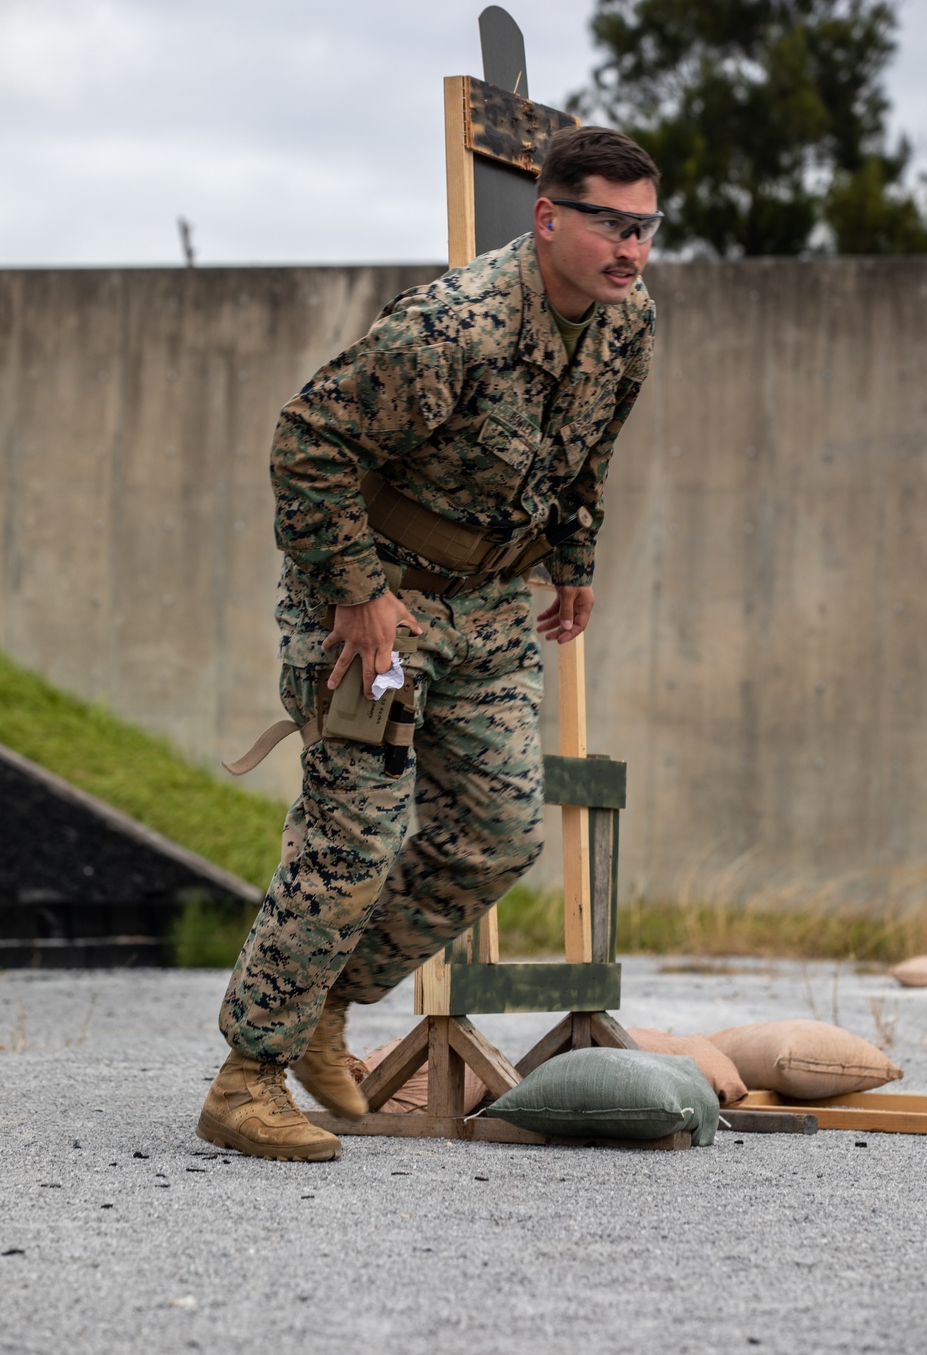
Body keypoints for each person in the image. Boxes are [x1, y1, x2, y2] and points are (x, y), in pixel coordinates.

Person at [197, 126, 662, 1160]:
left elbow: (585, 458)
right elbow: (307, 444)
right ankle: (245, 1080)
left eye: (644, 229)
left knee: (497, 832)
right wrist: (356, 593)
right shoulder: (455, 327)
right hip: (381, 604)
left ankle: (326, 1004)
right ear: (548, 219)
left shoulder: (627, 327)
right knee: (355, 835)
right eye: (609, 226)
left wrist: (572, 560)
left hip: (491, 608)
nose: (630, 251)